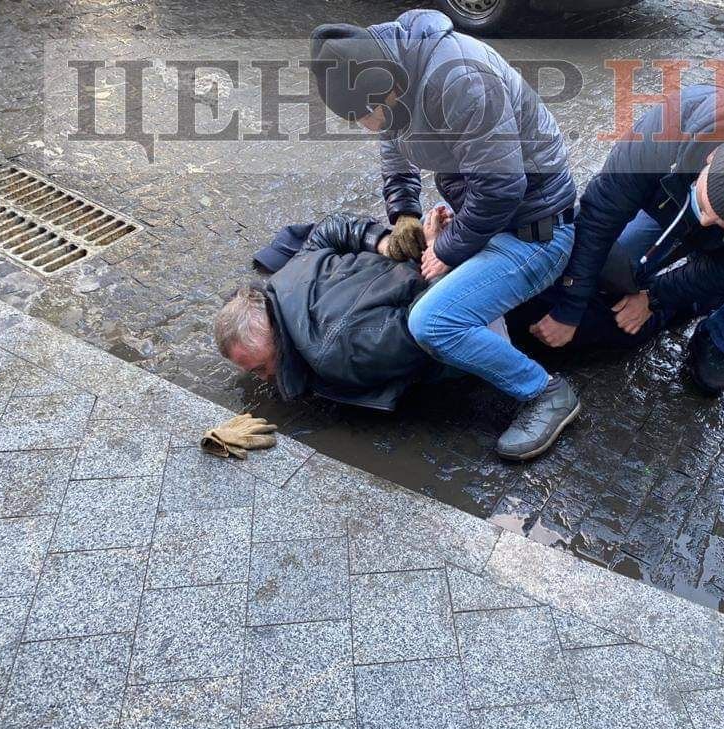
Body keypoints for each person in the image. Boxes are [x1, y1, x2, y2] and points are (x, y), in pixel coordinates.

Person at [308, 8, 580, 460]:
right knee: (424, 280)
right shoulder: (391, 68)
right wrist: (404, 214)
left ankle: (545, 392)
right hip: (490, 216)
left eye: (366, 113)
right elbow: (393, 147)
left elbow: (501, 187)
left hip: (537, 232)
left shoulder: (462, 79)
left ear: (388, 87)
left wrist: (450, 249)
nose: (366, 125)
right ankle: (490, 342)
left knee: (431, 323)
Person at [528, 81, 724, 395]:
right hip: (672, 196)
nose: (705, 222)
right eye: (704, 207)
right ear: (712, 156)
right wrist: (571, 305)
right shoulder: (666, 128)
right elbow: (601, 213)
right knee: (611, 263)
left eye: (721, 222)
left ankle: (717, 338)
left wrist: (653, 298)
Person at [214, 208, 450, 412]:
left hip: (451, 287)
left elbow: (434, 326)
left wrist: (436, 254)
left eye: (260, 369)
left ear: (272, 335)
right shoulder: (287, 276)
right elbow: (328, 228)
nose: (264, 379)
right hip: (429, 248)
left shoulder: (338, 353)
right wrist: (384, 243)